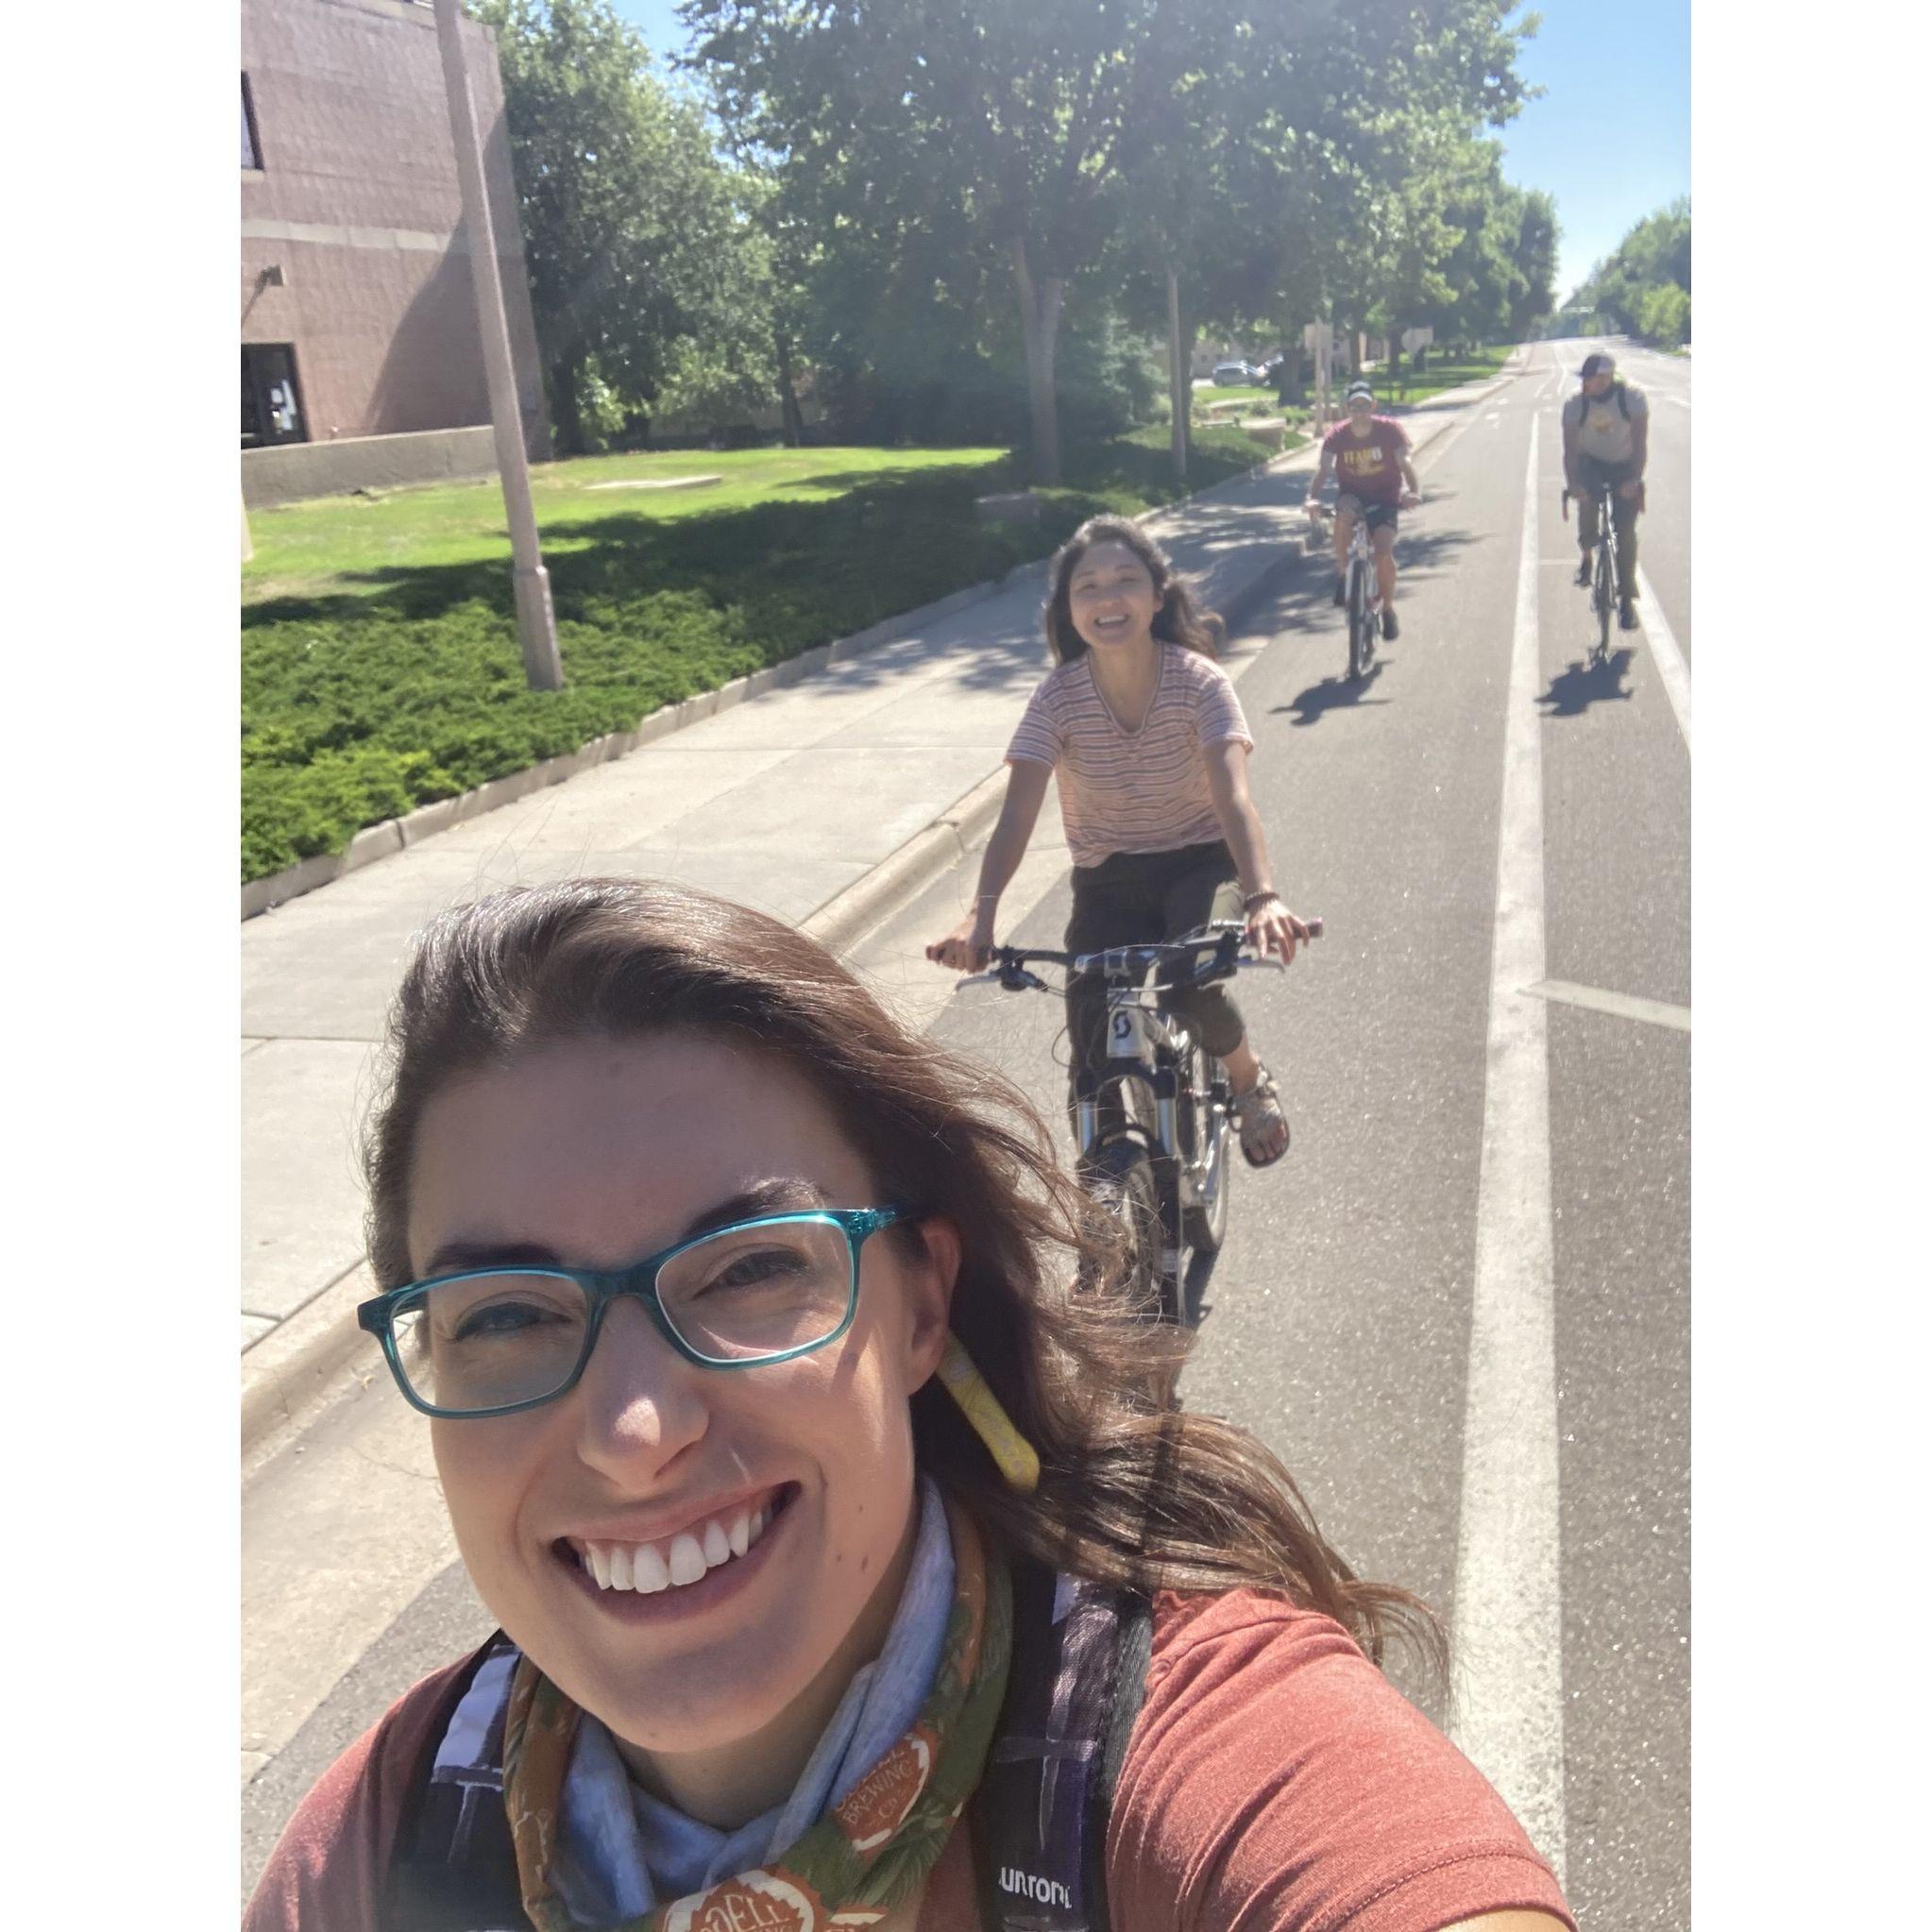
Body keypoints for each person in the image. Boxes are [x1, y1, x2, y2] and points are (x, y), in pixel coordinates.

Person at [246, 876, 1576, 1932]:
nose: (635, 1435)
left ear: (919, 1306)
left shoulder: (1175, 1755)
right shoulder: (388, 1844)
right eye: (508, 1313)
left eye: (753, 1268)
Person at [926, 515, 1306, 1171]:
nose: (1108, 599)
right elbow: (1016, 815)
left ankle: (1246, 1079)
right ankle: (1103, 1196)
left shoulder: (1200, 682)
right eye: (1088, 587)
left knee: (1191, 989)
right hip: (1108, 881)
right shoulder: (1057, 700)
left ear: (1158, 597)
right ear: (1068, 610)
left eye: (1126, 581)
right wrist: (981, 917)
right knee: (1091, 1039)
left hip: (1201, 863)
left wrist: (1263, 898)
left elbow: (1232, 797)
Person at [1303, 380, 1422, 640]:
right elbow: (1324, 468)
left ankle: (1388, 610)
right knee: (1342, 515)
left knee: (1382, 554)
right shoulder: (1338, 434)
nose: (1359, 412)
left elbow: (1404, 461)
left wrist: (1413, 491)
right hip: (1353, 497)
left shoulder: (1389, 430)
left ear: (1373, 406)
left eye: (1365, 406)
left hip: (1385, 500)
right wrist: (1312, 498)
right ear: (1347, 408)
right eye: (1354, 406)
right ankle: (1344, 574)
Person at [1560, 350, 1649, 630]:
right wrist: (1575, 483)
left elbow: (1640, 444)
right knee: (1587, 503)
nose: (1589, 384)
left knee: (1625, 531)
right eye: (1586, 379)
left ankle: (1626, 600)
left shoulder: (1632, 399)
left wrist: (1634, 479)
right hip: (1591, 463)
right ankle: (1587, 557)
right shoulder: (1575, 404)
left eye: (1596, 379)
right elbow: (1570, 451)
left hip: (1624, 464)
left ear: (1609, 377)